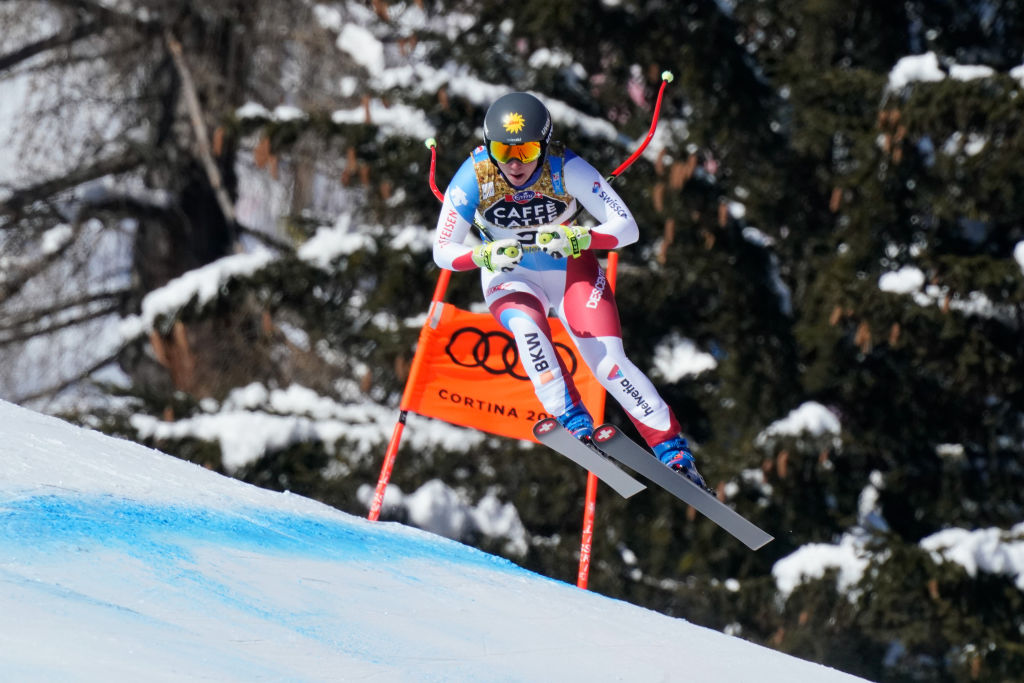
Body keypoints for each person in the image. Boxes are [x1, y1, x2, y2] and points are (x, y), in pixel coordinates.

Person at [431, 91, 706, 488]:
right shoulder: (474, 176)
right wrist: (484, 255)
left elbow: (627, 227)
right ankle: (573, 423)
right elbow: (443, 250)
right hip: (511, 276)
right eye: (502, 151)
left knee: (610, 365)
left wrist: (581, 238)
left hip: (570, 271)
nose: (513, 163)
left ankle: (675, 455)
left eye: (525, 151)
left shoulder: (566, 167)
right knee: (528, 331)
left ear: (542, 145)